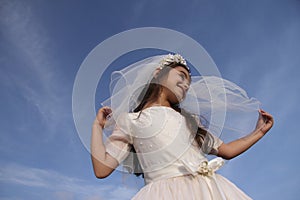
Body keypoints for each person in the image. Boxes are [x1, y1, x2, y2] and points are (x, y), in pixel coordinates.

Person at [91, 54, 273, 199]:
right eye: (182, 76)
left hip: (208, 192)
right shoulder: (130, 121)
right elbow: (102, 169)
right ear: (158, 73)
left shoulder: (190, 120)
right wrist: (97, 127)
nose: (186, 85)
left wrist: (259, 132)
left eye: (189, 83)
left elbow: (226, 150)